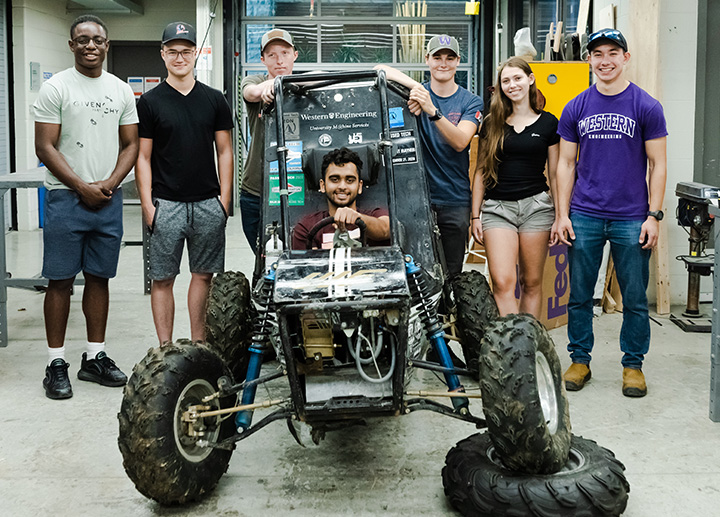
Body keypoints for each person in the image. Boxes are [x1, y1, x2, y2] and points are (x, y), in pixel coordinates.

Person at [552, 28, 668, 398]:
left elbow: (658, 164)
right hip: (584, 213)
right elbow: (565, 166)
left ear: (625, 58)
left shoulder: (646, 106)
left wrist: (654, 215)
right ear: (589, 59)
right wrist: (562, 214)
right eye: (597, 53)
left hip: (632, 216)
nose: (605, 60)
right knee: (580, 293)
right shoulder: (576, 106)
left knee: (635, 296)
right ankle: (580, 359)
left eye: (613, 53)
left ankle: (633, 366)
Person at [33, 15, 139, 399]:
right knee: (60, 280)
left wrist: (109, 184)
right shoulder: (56, 87)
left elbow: (131, 145)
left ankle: (94, 357)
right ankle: (55, 362)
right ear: (72, 45)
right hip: (65, 198)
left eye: (97, 40)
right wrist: (80, 186)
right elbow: (44, 146)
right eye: (82, 40)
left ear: (107, 45)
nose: (90, 45)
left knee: (99, 277)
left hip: (106, 200)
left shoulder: (121, 90)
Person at [135, 22, 234, 346]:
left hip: (208, 203)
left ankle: (199, 345)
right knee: (162, 279)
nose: (180, 57)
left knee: (203, 275)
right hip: (167, 204)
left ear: (196, 53)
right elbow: (143, 157)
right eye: (173, 51)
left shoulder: (214, 99)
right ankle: (165, 348)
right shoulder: (149, 103)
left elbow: (225, 151)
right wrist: (148, 206)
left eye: (186, 51)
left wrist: (224, 201)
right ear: (163, 54)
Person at [375, 35, 483, 278]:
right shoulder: (415, 94)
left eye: (449, 58)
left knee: (452, 274)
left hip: (454, 199)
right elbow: (379, 68)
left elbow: (460, 142)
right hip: (414, 200)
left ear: (458, 62)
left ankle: (448, 316)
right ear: (427, 60)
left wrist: (432, 110)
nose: (443, 63)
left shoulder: (471, 101)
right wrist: (417, 89)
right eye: (437, 57)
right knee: (414, 272)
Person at [471, 57, 559, 318]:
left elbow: (556, 173)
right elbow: (480, 171)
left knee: (531, 283)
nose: (512, 85)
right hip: (498, 209)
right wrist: (475, 215)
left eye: (517, 78)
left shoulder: (549, 123)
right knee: (502, 282)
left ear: (530, 79)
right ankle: (512, 350)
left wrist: (560, 215)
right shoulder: (491, 123)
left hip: (537, 208)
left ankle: (528, 347)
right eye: (506, 80)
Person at [240, 29, 298, 253]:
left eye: (284, 52)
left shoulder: (307, 85)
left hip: (297, 185)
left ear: (295, 55)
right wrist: (267, 87)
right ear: (263, 59)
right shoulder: (254, 81)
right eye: (272, 55)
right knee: (263, 256)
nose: (279, 59)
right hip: (257, 188)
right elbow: (250, 92)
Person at [292, 148, 390, 250]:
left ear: (359, 186)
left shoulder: (376, 215)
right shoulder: (307, 227)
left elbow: (385, 229)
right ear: (323, 185)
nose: (342, 186)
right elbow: (302, 263)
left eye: (350, 180)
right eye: (334, 180)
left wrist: (357, 218)